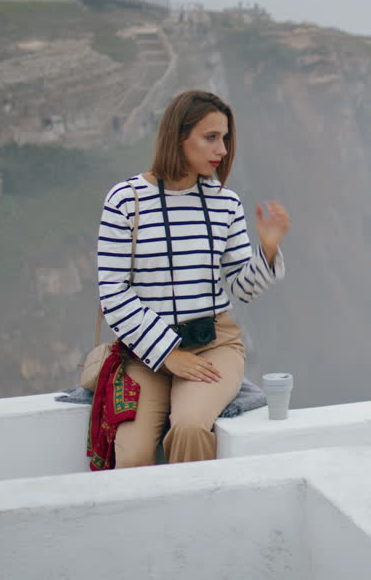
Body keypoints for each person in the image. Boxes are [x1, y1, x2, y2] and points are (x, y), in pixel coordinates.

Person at [95, 89, 290, 467]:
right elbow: (112, 290)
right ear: (178, 137)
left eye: (226, 138)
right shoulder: (125, 200)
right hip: (144, 352)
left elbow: (240, 287)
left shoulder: (225, 203)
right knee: (132, 455)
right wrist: (169, 354)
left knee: (189, 427)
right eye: (211, 137)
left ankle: (194, 523)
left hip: (214, 344)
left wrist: (266, 250)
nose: (222, 149)